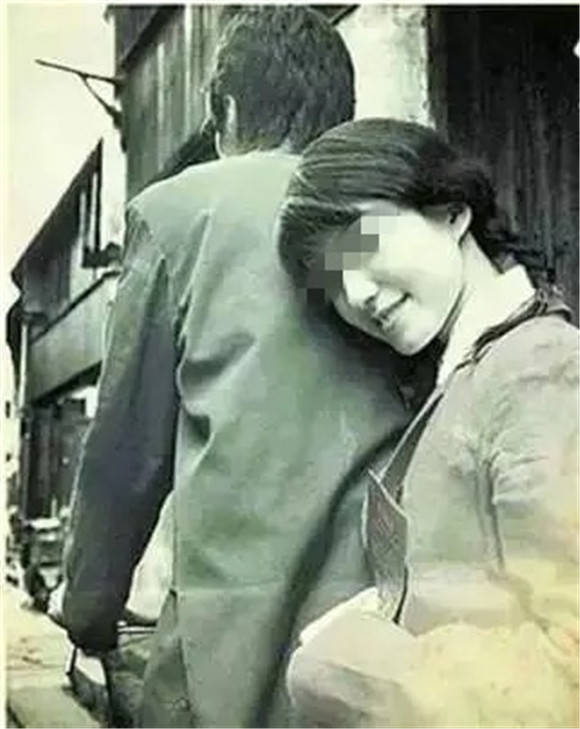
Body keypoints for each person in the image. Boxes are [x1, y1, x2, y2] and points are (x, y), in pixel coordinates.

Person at [61, 12, 412, 727]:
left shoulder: (179, 212)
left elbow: (128, 452)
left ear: (224, 109)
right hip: (380, 630)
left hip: (226, 642)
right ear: (341, 114)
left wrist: (90, 606)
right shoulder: (382, 215)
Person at [276, 117, 579, 727]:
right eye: (331, 283)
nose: (357, 294)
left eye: (362, 247)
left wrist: (344, 662)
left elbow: (570, 668)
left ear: (452, 212)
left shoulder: (541, 371)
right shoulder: (475, 371)